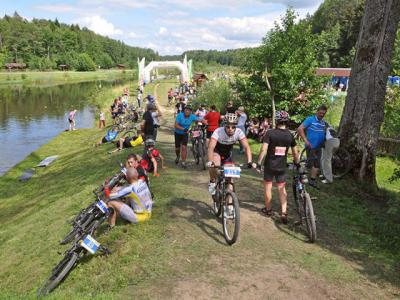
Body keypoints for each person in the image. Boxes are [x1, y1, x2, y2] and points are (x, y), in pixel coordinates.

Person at [256, 111, 299, 224]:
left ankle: (268, 210)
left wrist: (259, 162)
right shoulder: (290, 135)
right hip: (281, 167)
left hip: (269, 165)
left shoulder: (270, 133)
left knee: (268, 187)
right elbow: (295, 152)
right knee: (281, 189)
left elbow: (263, 149)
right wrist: (297, 162)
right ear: (287, 121)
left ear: (277, 121)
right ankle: (284, 213)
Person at [207, 113, 254, 195]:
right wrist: (210, 161)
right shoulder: (218, 131)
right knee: (215, 166)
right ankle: (212, 181)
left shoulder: (239, 132)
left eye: (233, 127)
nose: (230, 129)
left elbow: (246, 147)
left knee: (230, 179)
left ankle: (230, 206)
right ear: (224, 125)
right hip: (217, 151)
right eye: (228, 126)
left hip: (227, 154)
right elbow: (211, 148)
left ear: (236, 126)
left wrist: (249, 161)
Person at [297, 104, 328, 188]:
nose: (321, 115)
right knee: (309, 164)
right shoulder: (310, 119)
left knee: (317, 164)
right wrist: (306, 140)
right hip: (311, 146)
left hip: (319, 146)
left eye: (323, 114)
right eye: (320, 113)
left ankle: (312, 181)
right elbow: (300, 129)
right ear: (317, 111)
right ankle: (300, 177)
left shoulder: (323, 123)